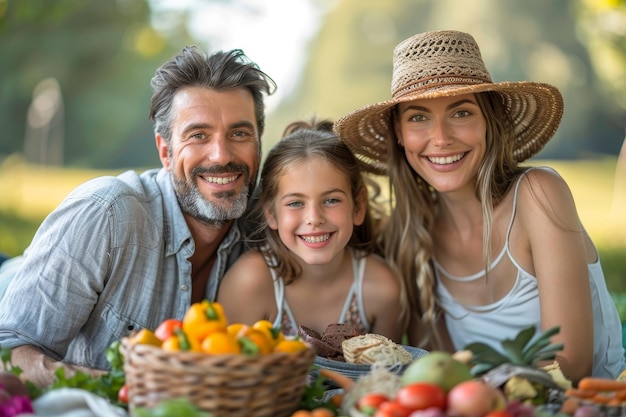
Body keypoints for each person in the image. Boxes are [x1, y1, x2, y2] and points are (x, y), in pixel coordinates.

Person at [334, 30, 626, 382]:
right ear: (398, 132)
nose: (441, 138)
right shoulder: (409, 234)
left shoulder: (538, 194)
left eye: (461, 113)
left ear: (490, 121)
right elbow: (438, 368)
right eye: (418, 117)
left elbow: (570, 364)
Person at [0, 45, 276, 386]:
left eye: (239, 133)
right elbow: (7, 357)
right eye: (198, 135)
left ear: (259, 142)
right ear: (165, 150)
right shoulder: (106, 214)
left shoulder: (269, 219)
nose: (221, 155)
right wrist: (124, 392)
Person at [217, 119, 405, 342]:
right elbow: (228, 370)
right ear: (271, 212)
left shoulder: (381, 288)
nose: (314, 219)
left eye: (332, 200)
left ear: (359, 206)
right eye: (295, 203)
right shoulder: (250, 283)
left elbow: (388, 373)